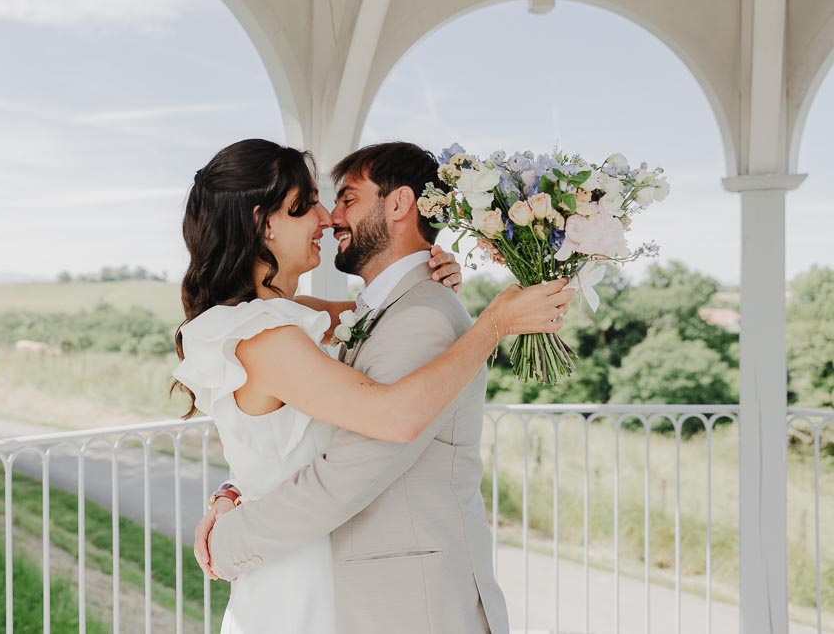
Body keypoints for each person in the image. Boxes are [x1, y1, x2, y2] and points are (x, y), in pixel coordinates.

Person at [174, 139, 572, 634]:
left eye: (343, 199)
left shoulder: (299, 319)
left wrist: (433, 277)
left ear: (400, 204)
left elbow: (371, 316)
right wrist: (491, 326)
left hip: (341, 575)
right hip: (297, 572)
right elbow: (391, 418)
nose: (325, 217)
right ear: (265, 223)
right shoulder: (268, 336)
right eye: (307, 205)